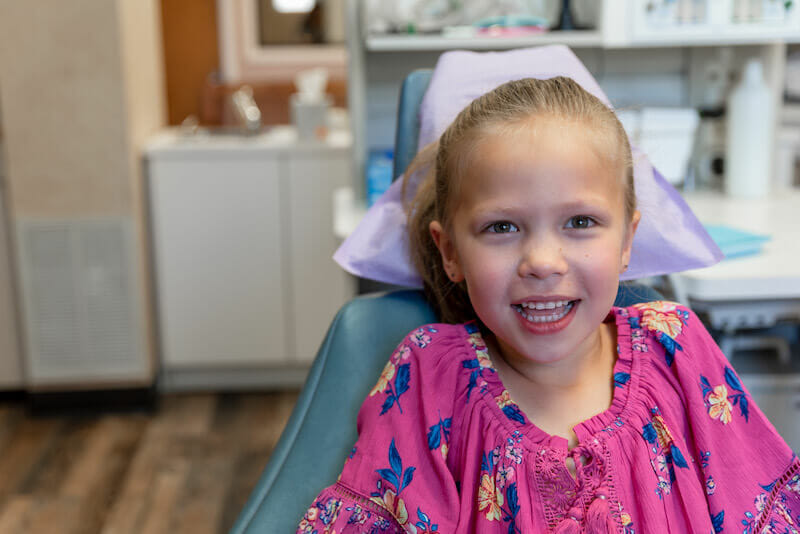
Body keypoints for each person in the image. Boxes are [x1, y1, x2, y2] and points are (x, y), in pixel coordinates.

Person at [296, 76, 799, 533]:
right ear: (450, 251)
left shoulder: (678, 346)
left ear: (627, 241)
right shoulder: (427, 374)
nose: (542, 261)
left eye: (580, 222)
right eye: (502, 227)